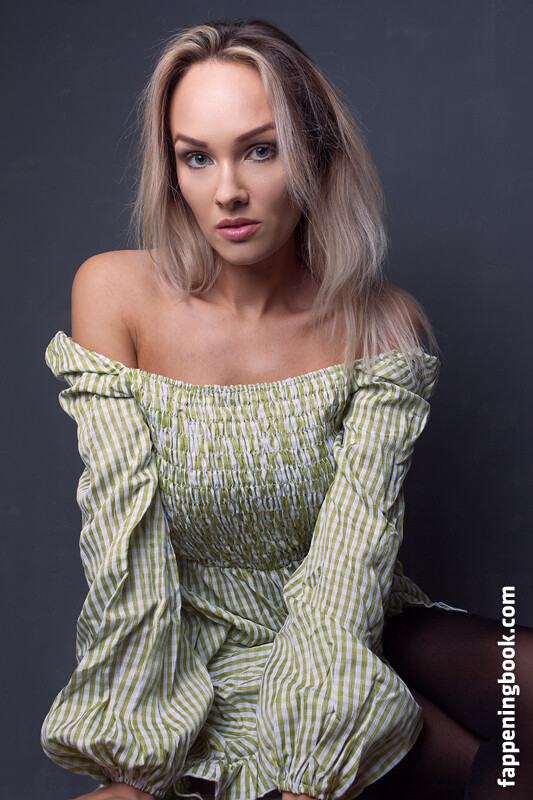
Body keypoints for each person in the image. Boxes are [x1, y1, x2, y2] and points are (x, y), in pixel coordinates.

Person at [42, 19, 532, 800]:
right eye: (196, 157)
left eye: (259, 150)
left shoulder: (383, 324)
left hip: (350, 618)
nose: (227, 191)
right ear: (171, 169)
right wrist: (131, 768)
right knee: (484, 763)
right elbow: (122, 551)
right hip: (200, 647)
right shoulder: (113, 292)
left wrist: (312, 769)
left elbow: (351, 557)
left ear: (315, 154)